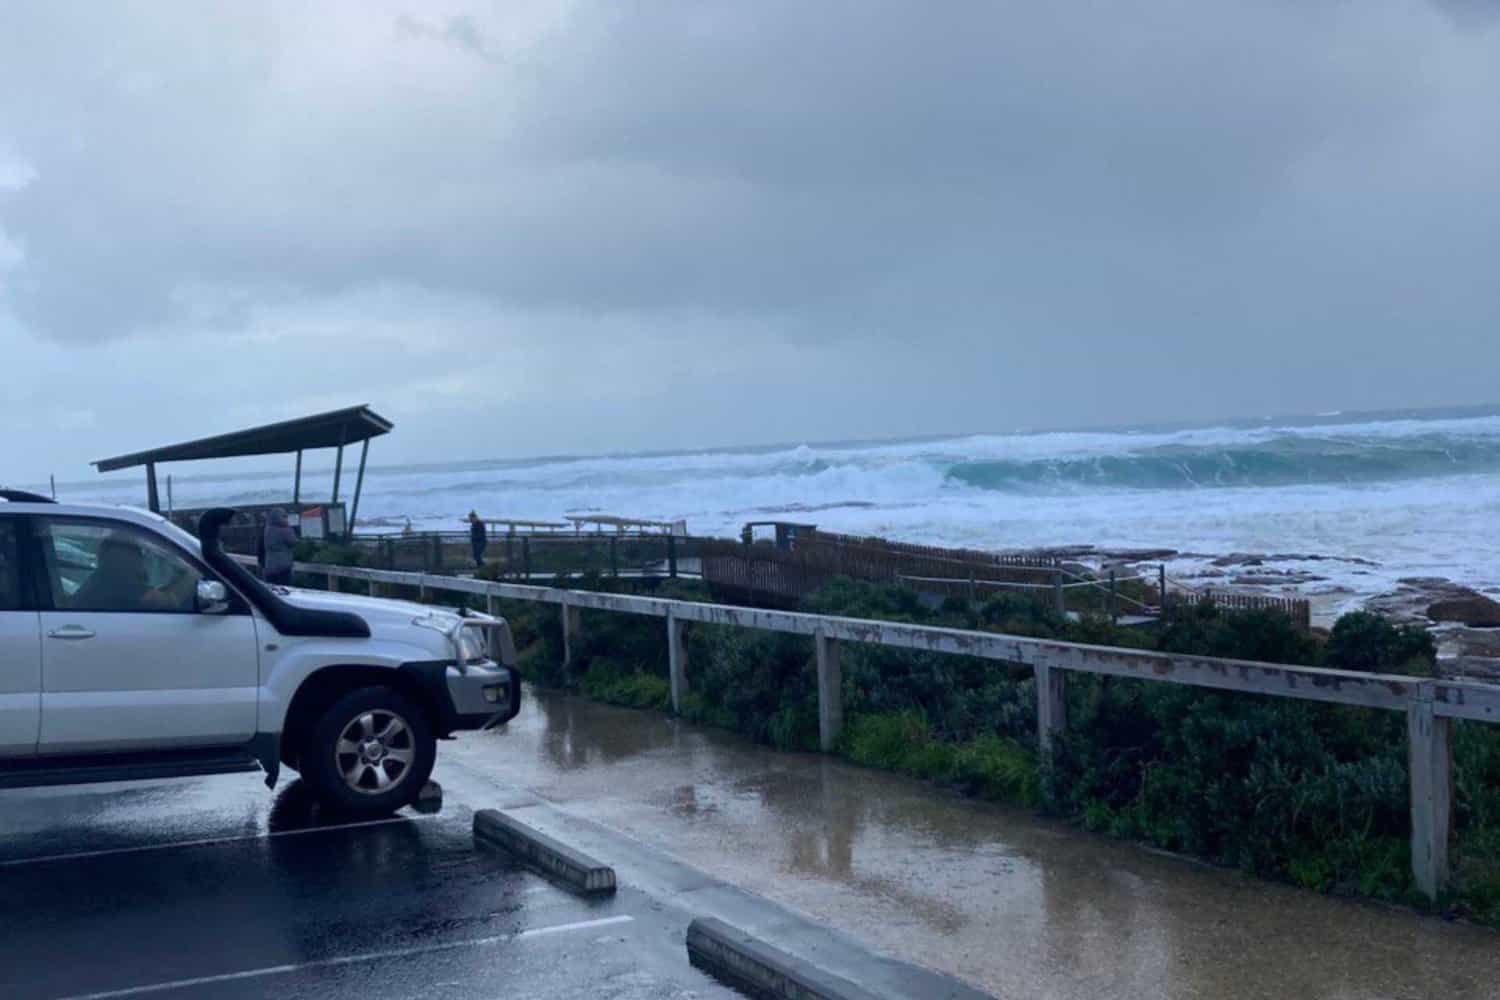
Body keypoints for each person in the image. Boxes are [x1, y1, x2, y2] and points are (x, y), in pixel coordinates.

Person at [263, 508, 298, 586]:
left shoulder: (268, 529)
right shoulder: (284, 530)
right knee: (285, 590)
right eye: (284, 516)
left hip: (269, 566)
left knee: (271, 590)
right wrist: (289, 528)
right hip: (283, 566)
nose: (286, 518)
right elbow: (293, 542)